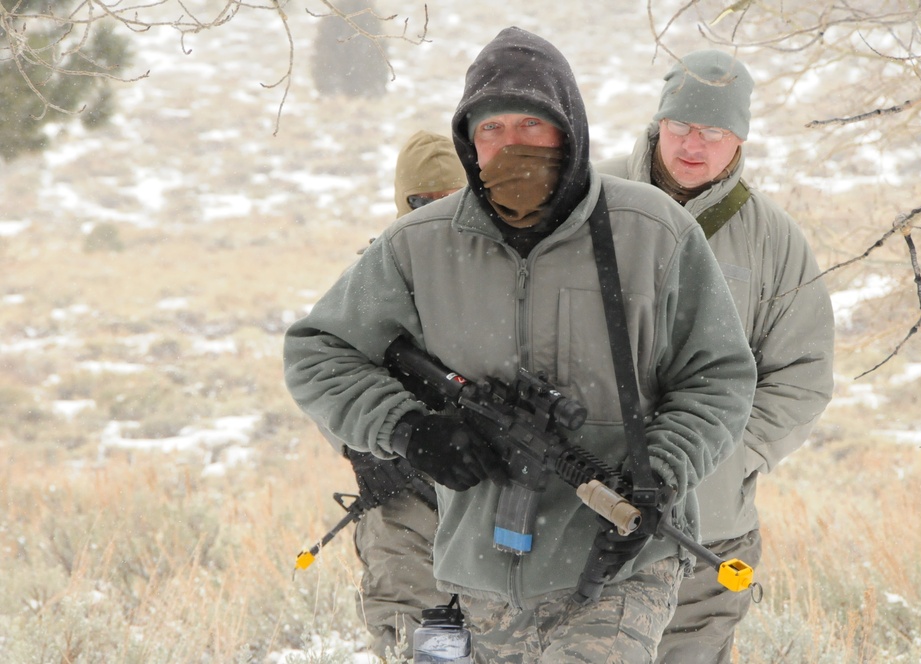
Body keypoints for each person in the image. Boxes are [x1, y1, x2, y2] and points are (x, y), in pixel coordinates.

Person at [284, 27, 757, 663]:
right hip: (475, 567)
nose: (511, 145)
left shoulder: (651, 232)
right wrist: (408, 429)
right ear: (469, 144)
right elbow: (318, 352)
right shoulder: (419, 245)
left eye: (532, 126)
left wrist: (661, 471)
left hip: (621, 558)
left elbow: (720, 374)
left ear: (570, 129)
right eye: (492, 129)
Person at [598, 49, 836, 664]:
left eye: (714, 132)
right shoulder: (587, 206)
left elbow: (803, 375)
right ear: (657, 125)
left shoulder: (775, 241)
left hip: (707, 528)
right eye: (680, 126)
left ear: (739, 140)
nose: (693, 145)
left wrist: (731, 458)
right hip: (585, 513)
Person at [339, 129, 467, 659]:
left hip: (492, 505)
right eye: (419, 201)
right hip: (402, 513)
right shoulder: (371, 280)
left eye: (447, 199)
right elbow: (329, 378)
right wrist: (376, 444)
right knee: (423, 648)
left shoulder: (506, 275)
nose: (431, 212)